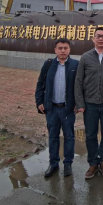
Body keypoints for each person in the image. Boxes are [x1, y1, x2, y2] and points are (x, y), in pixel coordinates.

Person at [75, 27, 103, 180]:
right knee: (91, 135)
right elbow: (78, 81)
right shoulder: (85, 57)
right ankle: (93, 163)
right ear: (93, 39)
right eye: (98, 36)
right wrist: (80, 102)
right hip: (90, 104)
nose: (100, 39)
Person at [35, 38, 79, 179]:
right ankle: (53, 163)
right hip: (52, 109)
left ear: (69, 49)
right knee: (53, 137)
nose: (63, 51)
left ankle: (68, 164)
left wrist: (78, 103)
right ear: (55, 50)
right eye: (60, 48)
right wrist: (39, 101)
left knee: (69, 137)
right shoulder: (48, 64)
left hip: (68, 109)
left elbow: (79, 86)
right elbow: (40, 84)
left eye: (65, 48)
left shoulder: (75, 65)